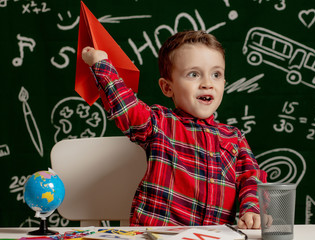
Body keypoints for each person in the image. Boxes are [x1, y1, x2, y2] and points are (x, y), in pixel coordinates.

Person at [81, 30, 267, 228]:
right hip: (158, 233)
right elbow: (126, 109)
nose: (207, 84)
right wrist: (101, 64)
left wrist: (252, 209)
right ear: (167, 87)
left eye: (216, 74)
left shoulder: (234, 137)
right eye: (193, 74)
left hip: (215, 234)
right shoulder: (159, 123)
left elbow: (252, 177)